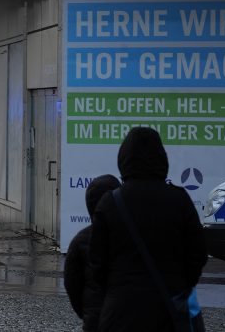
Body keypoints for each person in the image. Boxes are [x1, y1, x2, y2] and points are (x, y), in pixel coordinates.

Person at [89, 127, 207, 331]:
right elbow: (197, 253)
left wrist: (114, 288)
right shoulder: (179, 200)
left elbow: (97, 263)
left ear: (123, 159)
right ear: (162, 158)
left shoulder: (110, 202)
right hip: (168, 309)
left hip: (120, 311)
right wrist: (180, 284)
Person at [64, 174, 121, 331]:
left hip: (95, 320)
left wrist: (86, 312)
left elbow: (72, 284)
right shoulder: (131, 236)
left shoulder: (80, 241)